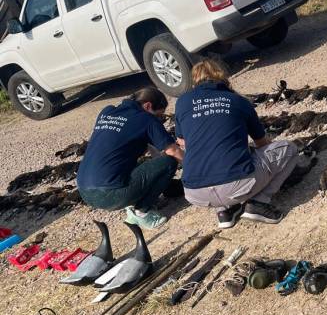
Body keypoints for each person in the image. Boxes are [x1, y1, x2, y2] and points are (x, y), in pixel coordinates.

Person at [175, 59, 299, 229]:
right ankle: (257, 202)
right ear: (221, 75)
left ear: (195, 79)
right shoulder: (238, 101)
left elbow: (182, 141)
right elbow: (262, 143)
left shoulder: (182, 102)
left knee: (210, 155)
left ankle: (225, 212)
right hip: (237, 185)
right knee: (289, 149)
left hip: (195, 192)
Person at [77, 87, 184, 229]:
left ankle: (132, 201)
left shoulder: (107, 111)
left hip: (84, 190)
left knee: (138, 162)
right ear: (148, 106)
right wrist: (197, 170)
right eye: (159, 116)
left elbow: (146, 147)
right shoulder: (146, 119)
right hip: (111, 194)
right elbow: (172, 150)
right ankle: (142, 212)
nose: (159, 120)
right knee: (169, 161)